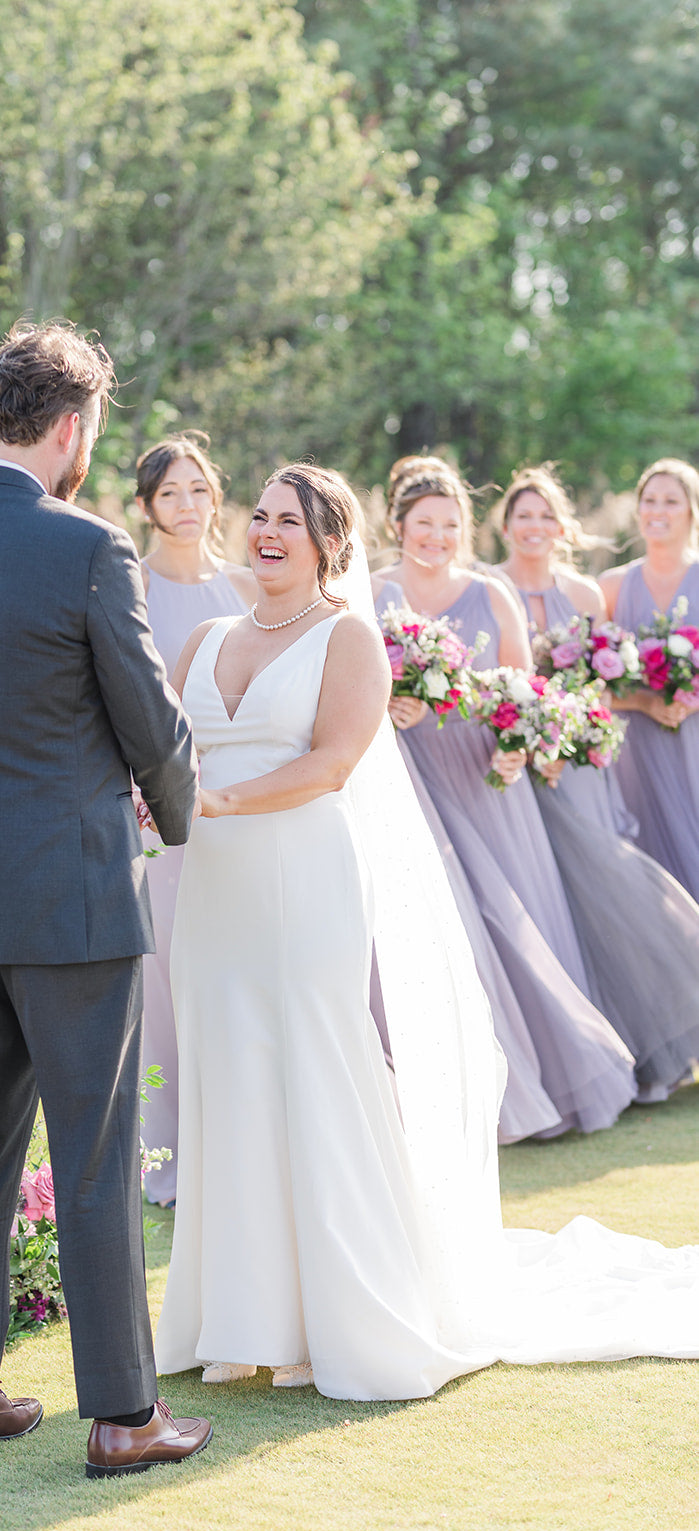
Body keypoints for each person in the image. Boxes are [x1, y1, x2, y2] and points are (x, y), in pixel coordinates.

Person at [155, 462, 699, 1401]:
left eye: (292, 520)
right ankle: (236, 1318)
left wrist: (218, 798)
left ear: (331, 541)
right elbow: (163, 748)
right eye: (261, 516)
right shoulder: (203, 637)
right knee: (228, 1073)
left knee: (311, 1068)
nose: (267, 531)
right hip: (212, 888)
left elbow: (330, 764)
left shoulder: (347, 638)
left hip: (300, 878)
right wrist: (147, 794)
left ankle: (334, 1313)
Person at [0, 319, 212, 1476]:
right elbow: (149, 726)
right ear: (70, 427)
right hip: (70, 897)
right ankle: (122, 1415)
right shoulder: (87, 547)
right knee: (96, 1154)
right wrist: (175, 808)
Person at [373, 455, 637, 1141]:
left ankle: (545, 1084)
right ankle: (448, 1095)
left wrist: (518, 744)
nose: (436, 536)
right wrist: (384, 710)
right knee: (435, 930)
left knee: (512, 927)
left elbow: (524, 695)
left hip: (483, 776)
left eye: (448, 525)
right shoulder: (369, 594)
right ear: (397, 524)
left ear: (463, 528)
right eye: (423, 523)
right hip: (404, 781)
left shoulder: (490, 594)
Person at [494, 464, 699, 1097]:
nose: (534, 526)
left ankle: (655, 1044)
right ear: (503, 525)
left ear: (563, 526)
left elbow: (594, 684)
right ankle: (587, 1058)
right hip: (507, 766)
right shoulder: (489, 590)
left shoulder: (584, 596)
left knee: (614, 887)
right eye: (522, 514)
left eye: (545, 515)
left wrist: (564, 739)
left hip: (578, 764)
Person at [134, 433, 254, 1205]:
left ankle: (245, 1140)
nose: (187, 506)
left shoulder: (248, 585)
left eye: (198, 490)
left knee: (239, 967)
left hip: (245, 802)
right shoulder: (129, 585)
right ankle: (166, 1152)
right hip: (163, 807)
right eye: (170, 493)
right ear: (145, 505)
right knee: (169, 974)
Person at [600, 458, 699, 901]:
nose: (657, 510)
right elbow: (587, 683)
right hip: (635, 752)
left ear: (692, 511)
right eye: (649, 500)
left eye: (671, 501)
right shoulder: (611, 586)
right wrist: (643, 702)